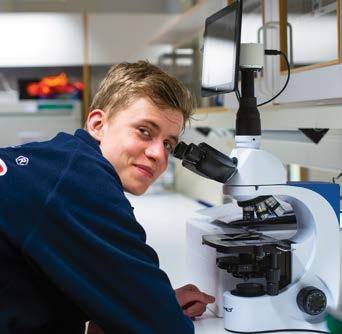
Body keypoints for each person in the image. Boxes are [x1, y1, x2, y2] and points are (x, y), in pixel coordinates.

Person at [0, 61, 215, 334]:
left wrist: (139, 303)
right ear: (98, 124)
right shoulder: (82, 181)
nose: (158, 154)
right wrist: (151, 309)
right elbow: (166, 329)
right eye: (144, 131)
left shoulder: (59, 160)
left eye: (168, 144)